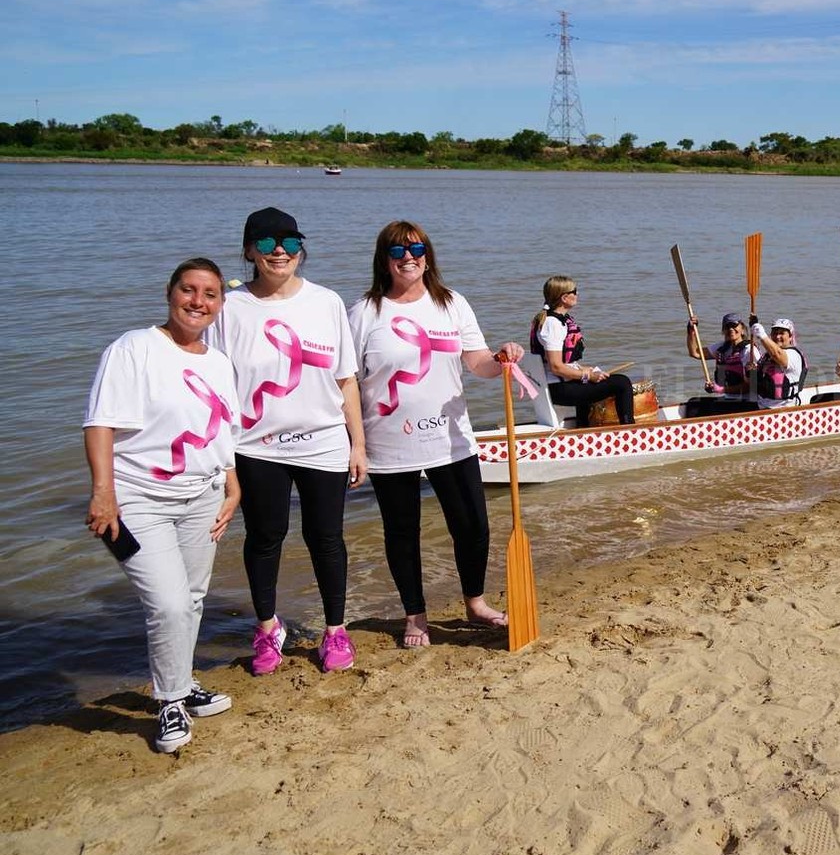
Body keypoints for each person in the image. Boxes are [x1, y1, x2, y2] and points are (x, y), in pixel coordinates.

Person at [84, 258, 242, 753]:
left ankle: (182, 683)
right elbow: (100, 423)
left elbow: (224, 430)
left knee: (191, 597)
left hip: (203, 496)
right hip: (138, 500)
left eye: (210, 294)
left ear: (220, 304)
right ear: (170, 293)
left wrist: (233, 485)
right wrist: (103, 492)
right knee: (168, 604)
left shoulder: (218, 362)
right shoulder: (134, 348)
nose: (198, 302)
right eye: (188, 290)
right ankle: (170, 700)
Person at [348, 221, 523, 648]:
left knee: (473, 526)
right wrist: (354, 444)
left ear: (428, 256)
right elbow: (347, 380)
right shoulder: (365, 312)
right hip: (389, 441)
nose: (408, 257)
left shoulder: (451, 303)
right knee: (402, 532)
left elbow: (477, 361)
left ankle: (475, 603)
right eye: (397, 251)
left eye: (416, 249)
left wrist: (501, 358)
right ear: (384, 260)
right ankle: (415, 615)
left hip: (451, 438)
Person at [208, 207, 366, 675]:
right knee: (264, 537)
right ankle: (267, 628)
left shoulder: (327, 302)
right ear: (249, 251)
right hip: (255, 447)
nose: (280, 251)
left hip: (324, 442)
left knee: (326, 537)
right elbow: (215, 387)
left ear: (301, 250)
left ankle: (335, 631)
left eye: (291, 242)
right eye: (267, 242)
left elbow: (346, 379)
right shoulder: (230, 308)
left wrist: (358, 444)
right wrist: (220, 459)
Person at [529, 275, 636, 425]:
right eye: (574, 291)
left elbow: (561, 363)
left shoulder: (552, 320)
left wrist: (584, 370)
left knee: (589, 382)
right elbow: (556, 367)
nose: (577, 294)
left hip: (559, 385)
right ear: (564, 298)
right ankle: (628, 429)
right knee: (622, 383)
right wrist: (587, 376)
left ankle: (583, 427)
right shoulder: (553, 324)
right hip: (559, 389)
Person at [683, 311, 758, 417]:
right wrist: (691, 331)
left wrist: (720, 389)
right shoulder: (722, 348)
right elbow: (695, 353)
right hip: (729, 399)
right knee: (693, 403)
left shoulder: (749, 351)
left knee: (697, 410)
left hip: (749, 402)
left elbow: (751, 386)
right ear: (723, 330)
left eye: (734, 325)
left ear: (742, 329)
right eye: (727, 326)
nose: (731, 329)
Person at [750, 317, 808, 407]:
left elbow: (777, 354)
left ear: (790, 337)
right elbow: (754, 384)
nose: (777, 337)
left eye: (781, 333)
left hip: (784, 408)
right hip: (761, 405)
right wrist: (751, 372)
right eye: (775, 333)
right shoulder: (766, 356)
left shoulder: (793, 355)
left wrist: (761, 334)